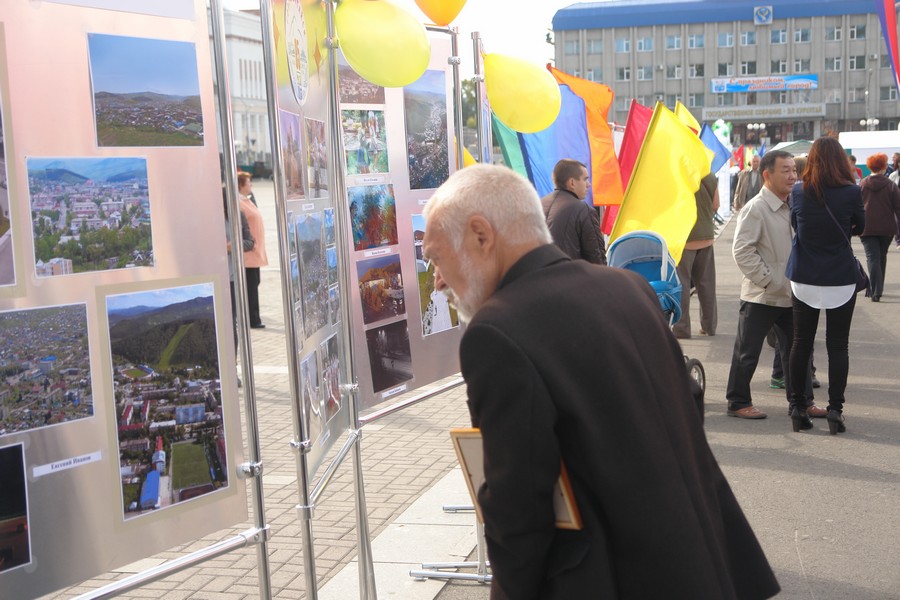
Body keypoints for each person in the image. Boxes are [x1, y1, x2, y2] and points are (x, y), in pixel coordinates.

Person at [422, 164, 780, 600]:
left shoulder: (497, 331)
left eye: (437, 257)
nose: (437, 280)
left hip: (613, 575)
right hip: (698, 558)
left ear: (481, 235)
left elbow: (518, 509)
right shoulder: (627, 286)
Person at [726, 150, 813, 420]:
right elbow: (742, 251)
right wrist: (768, 281)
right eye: (785, 170)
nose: (792, 175)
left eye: (793, 170)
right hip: (761, 295)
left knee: (799, 351)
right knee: (747, 352)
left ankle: (803, 402)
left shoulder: (794, 204)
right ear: (767, 175)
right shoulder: (756, 208)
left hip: (791, 293)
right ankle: (738, 402)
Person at [786, 137, 865, 434]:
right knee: (838, 345)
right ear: (841, 161)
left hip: (804, 275)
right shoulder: (851, 192)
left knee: (801, 342)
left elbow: (796, 224)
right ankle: (835, 411)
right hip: (839, 277)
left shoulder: (798, 191)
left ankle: (797, 407)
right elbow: (862, 226)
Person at [673, 171, 719, 339]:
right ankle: (709, 326)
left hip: (683, 237)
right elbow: (715, 205)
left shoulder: (676, 174)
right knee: (706, 284)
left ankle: (682, 328)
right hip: (706, 236)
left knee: (682, 284)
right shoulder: (709, 176)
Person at [540, 159, 606, 264]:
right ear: (572, 183)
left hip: (539, 278)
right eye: (585, 179)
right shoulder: (584, 210)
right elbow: (596, 258)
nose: (588, 184)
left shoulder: (538, 205)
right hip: (572, 278)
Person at [859, 152, 900, 302]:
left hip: (867, 227)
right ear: (884, 167)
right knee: (881, 256)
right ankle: (878, 289)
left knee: (872, 258)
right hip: (887, 228)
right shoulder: (891, 185)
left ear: (869, 166)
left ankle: (876, 289)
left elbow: (857, 205)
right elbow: (898, 208)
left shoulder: (862, 184)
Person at [238, 171, 268, 328]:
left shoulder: (247, 200)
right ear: (241, 185)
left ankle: (251, 316)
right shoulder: (238, 203)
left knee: (255, 282)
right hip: (248, 252)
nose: (251, 185)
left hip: (254, 250)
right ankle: (253, 319)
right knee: (250, 286)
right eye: (249, 182)